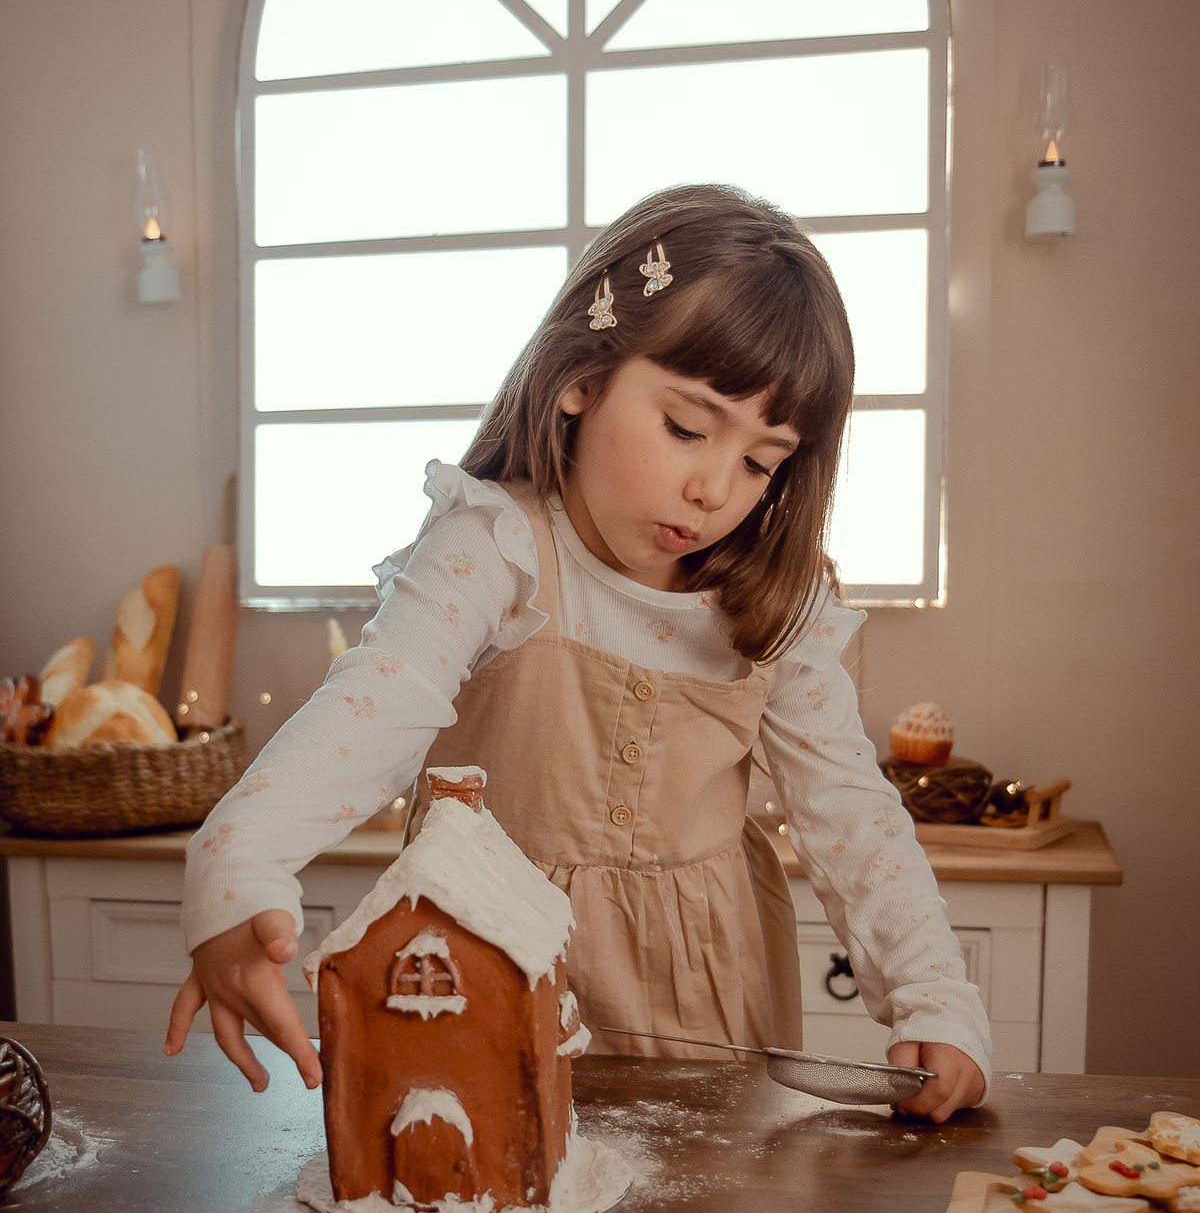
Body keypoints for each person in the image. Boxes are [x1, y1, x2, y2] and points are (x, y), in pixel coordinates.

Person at [166, 184, 989, 1122]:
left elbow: (850, 812)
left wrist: (934, 996)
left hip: (708, 1008)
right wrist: (236, 868)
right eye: (686, 427)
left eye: (762, 461)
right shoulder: (494, 548)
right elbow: (378, 703)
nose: (715, 487)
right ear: (580, 379)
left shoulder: (780, 600)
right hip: (486, 976)